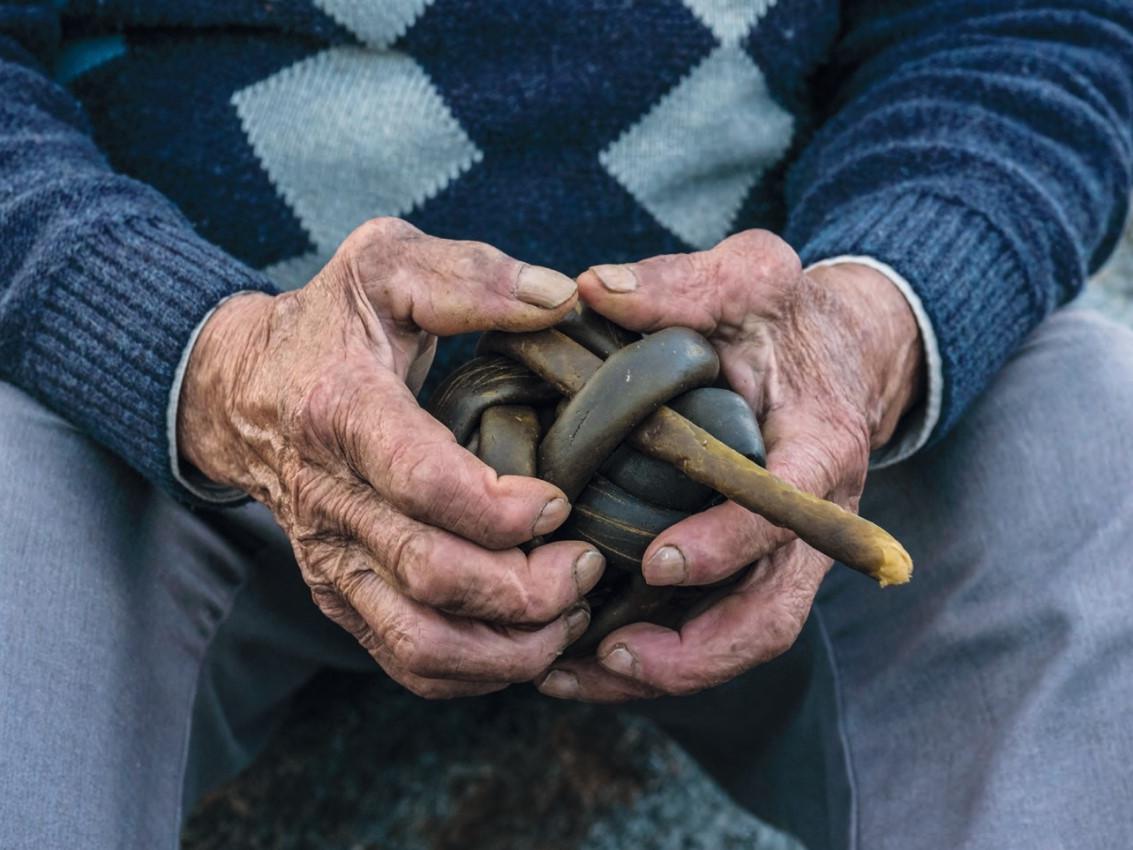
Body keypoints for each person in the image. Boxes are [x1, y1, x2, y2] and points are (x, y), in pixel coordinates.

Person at [2, 1, 1133, 847]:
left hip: (780, 405)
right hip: (170, 411)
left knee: (1082, 449)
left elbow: (1023, 29)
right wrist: (193, 354)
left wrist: (869, 319)